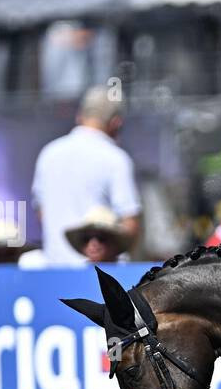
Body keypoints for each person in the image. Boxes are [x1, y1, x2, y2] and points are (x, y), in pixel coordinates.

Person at [30, 85, 141, 266]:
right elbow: (130, 224)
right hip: (101, 277)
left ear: (79, 116)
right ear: (116, 122)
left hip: (55, 272)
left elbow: (42, 214)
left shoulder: (48, 154)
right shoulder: (116, 159)